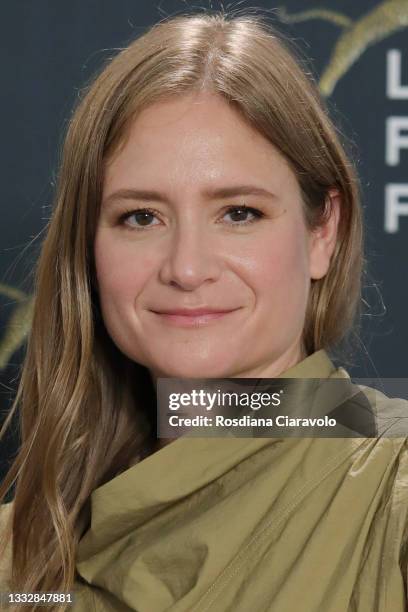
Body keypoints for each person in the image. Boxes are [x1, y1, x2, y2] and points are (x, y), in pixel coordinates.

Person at [0, 10, 407, 612]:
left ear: (323, 233)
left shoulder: (393, 493)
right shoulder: (19, 552)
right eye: (141, 217)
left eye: (239, 213)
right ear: (89, 245)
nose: (187, 268)